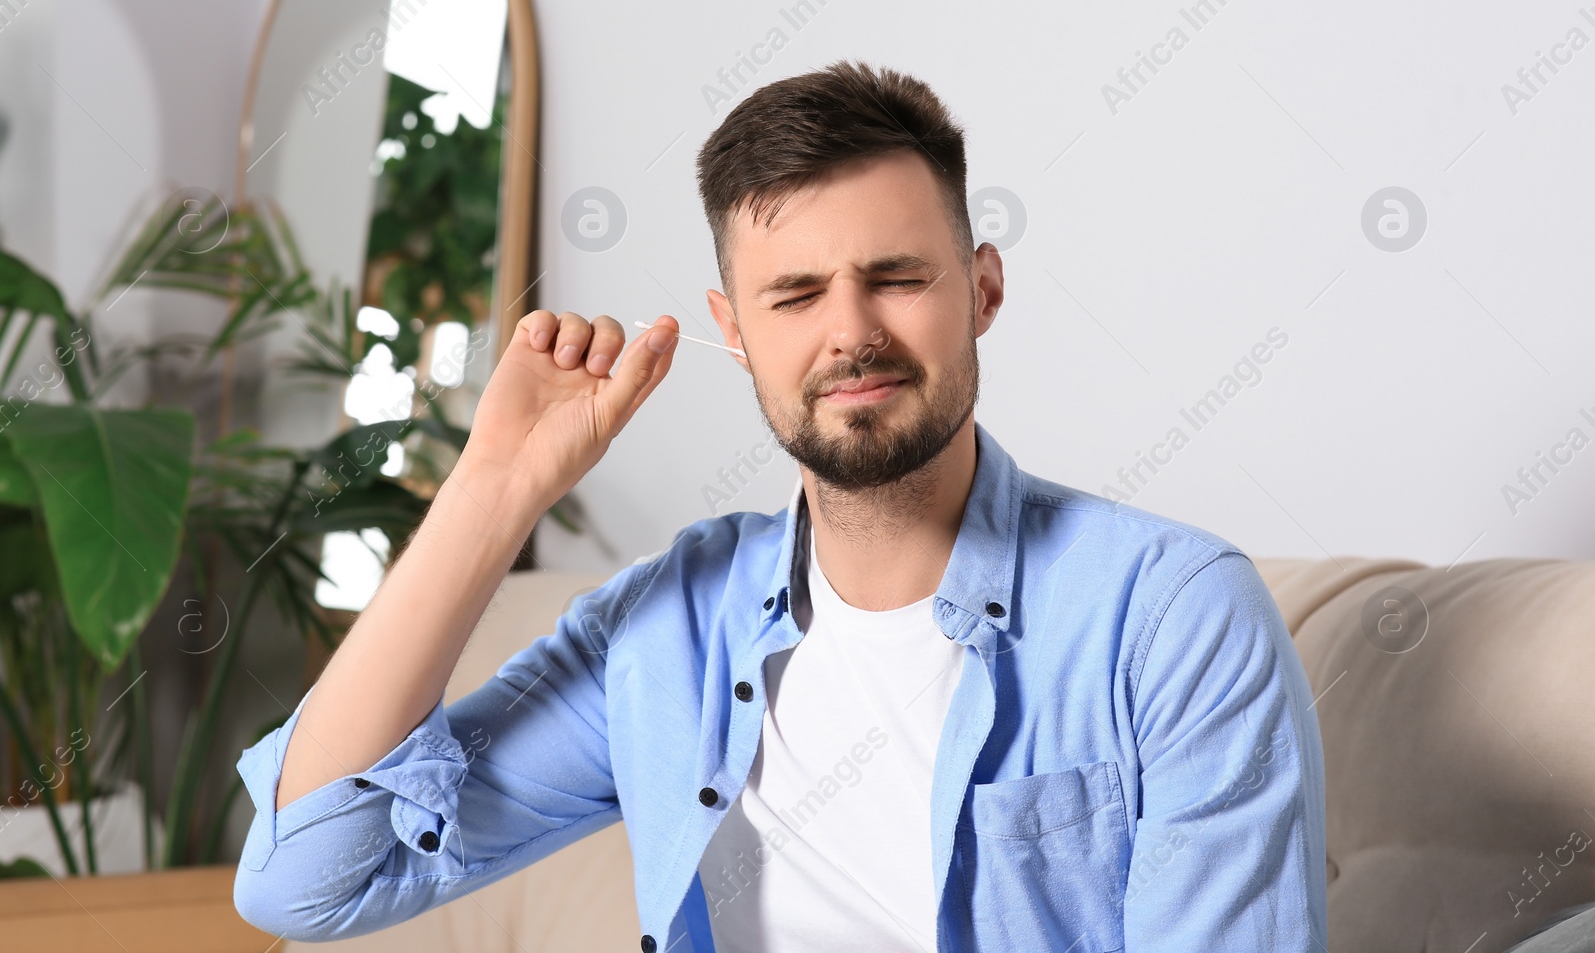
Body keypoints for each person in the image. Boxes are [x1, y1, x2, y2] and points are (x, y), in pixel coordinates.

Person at [232, 60, 1328, 951]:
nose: (849, 332)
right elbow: (305, 880)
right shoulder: (667, 633)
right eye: (795, 295)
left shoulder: (1169, 616)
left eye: (895, 276)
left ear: (982, 288)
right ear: (734, 329)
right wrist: (493, 492)